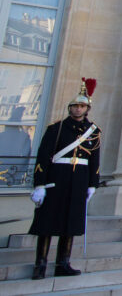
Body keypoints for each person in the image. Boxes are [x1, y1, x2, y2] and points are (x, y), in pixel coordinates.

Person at [28, 79, 100, 279]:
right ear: (70, 108)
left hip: (79, 180)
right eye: (76, 106)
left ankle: (63, 262)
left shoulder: (93, 132)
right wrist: (39, 184)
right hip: (57, 178)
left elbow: (95, 159)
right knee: (48, 222)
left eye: (82, 106)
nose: (78, 109)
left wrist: (93, 183)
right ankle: (40, 263)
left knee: (70, 222)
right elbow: (43, 157)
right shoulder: (56, 129)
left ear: (87, 109)